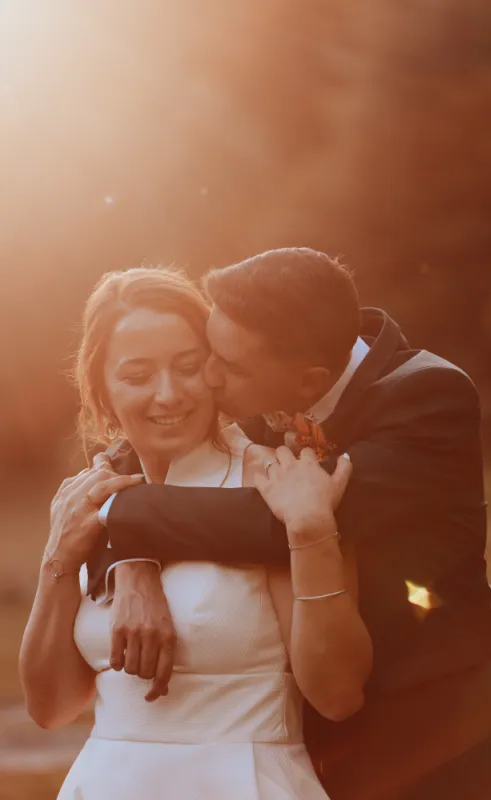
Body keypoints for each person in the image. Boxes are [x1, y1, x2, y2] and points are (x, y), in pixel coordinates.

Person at [87, 248, 491, 799]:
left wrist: (113, 513)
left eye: (224, 365)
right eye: (210, 349)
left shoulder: (428, 398)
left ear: (309, 382)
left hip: (440, 738)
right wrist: (133, 560)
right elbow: (134, 451)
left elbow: (276, 524)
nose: (206, 378)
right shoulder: (264, 358)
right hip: (304, 742)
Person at [19, 266, 373, 800]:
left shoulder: (273, 482)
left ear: (215, 366)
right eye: (137, 376)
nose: (168, 395)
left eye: (187, 367)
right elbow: (51, 707)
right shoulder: (88, 501)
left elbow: (338, 694)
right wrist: (57, 561)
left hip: (246, 780)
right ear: (101, 389)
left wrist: (311, 531)